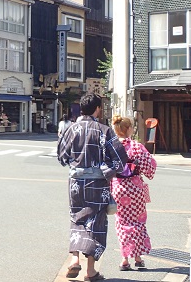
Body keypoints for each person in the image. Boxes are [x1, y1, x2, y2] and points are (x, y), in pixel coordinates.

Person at [57, 93, 128, 282]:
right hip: (98, 184)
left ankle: (74, 259)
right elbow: (120, 160)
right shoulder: (104, 131)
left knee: (76, 218)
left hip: (76, 184)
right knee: (96, 223)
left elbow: (61, 156)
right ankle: (90, 271)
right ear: (97, 109)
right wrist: (106, 171)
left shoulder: (71, 129)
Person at [111, 115, 157, 271]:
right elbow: (150, 165)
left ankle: (124, 259)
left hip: (118, 187)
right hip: (135, 188)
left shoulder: (111, 146)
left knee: (122, 223)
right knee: (138, 221)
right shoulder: (136, 147)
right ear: (129, 129)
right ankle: (138, 258)